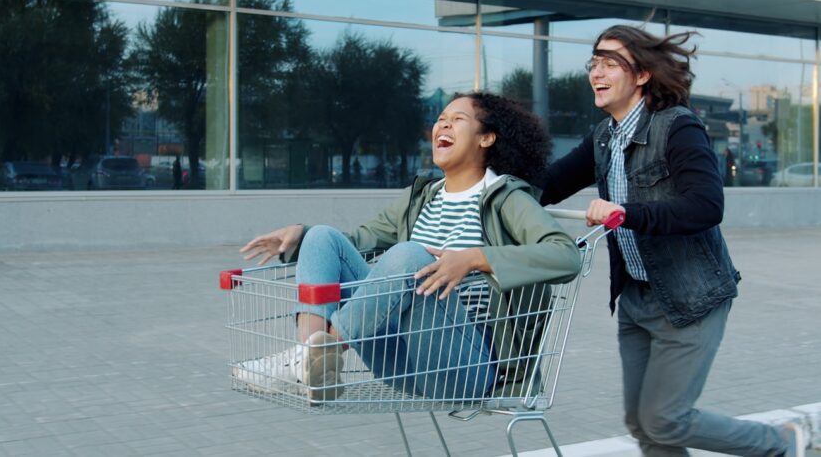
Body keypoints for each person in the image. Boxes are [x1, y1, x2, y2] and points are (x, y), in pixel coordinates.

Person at [538, 25, 804, 457]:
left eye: (611, 63)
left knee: (666, 418)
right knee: (643, 424)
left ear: (642, 74)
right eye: (594, 62)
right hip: (636, 299)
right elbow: (548, 184)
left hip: (691, 296)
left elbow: (705, 206)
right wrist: (488, 184)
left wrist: (627, 214)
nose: (597, 72)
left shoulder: (677, 127)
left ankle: (779, 443)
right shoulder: (605, 136)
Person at [238, 92, 581, 402]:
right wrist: (300, 235)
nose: (442, 124)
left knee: (410, 255)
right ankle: (310, 363)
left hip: (467, 366)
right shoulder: (421, 198)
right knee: (322, 236)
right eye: (440, 119)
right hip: (403, 358)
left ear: (487, 138)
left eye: (458, 119)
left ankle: (311, 356)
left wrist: (476, 259)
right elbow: (353, 244)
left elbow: (565, 254)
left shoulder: (506, 199)